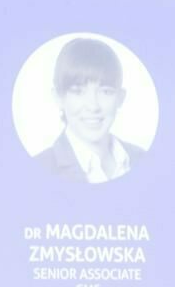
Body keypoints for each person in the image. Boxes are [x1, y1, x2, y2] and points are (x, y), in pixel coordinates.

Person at [34, 37, 145, 183]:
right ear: (58, 97)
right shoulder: (39, 169)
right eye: (78, 91)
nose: (93, 106)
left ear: (120, 98)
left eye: (105, 92)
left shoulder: (142, 158)